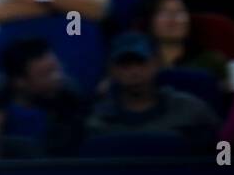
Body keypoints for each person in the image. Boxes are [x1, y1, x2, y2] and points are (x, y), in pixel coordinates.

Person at [85, 32, 220, 151]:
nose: (134, 72)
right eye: (125, 64)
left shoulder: (192, 111)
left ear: (156, 64)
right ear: (111, 70)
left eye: (141, 62)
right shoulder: (95, 121)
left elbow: (223, 154)